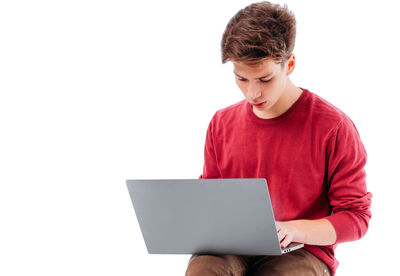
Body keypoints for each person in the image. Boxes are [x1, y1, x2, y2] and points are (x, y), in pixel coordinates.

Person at [185, 1, 372, 276]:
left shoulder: (334, 128)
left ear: (290, 64)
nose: (252, 94)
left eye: (264, 79)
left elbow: (356, 217)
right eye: (241, 79)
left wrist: (292, 228)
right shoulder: (221, 123)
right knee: (204, 268)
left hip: (300, 250)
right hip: (232, 247)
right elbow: (211, 199)